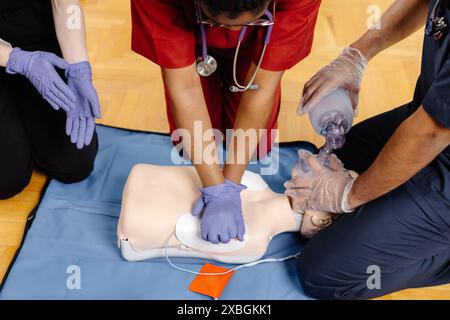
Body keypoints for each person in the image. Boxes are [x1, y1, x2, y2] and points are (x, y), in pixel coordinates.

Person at [286, 0, 450, 299]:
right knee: (340, 158)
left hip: (439, 144)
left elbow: (431, 132)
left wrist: (350, 196)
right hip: (428, 115)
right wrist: (356, 55)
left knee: (323, 273)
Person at [130, 0, 322, 244]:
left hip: (256, 44)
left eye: (248, 19)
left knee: (256, 149)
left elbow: (261, 87)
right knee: (186, 144)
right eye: (218, 23)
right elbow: (185, 88)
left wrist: (230, 185)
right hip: (191, 40)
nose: (228, 31)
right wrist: (215, 189)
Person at [117, 163, 334, 264]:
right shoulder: (254, 182)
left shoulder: (253, 240)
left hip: (133, 226)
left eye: (330, 187)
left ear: (321, 221)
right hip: (136, 211)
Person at [0, 0, 101, 199]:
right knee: (7, 178)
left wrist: (78, 67)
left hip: (38, 46)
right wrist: (16, 59)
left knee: (74, 164)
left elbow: (65, 4)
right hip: (11, 55)